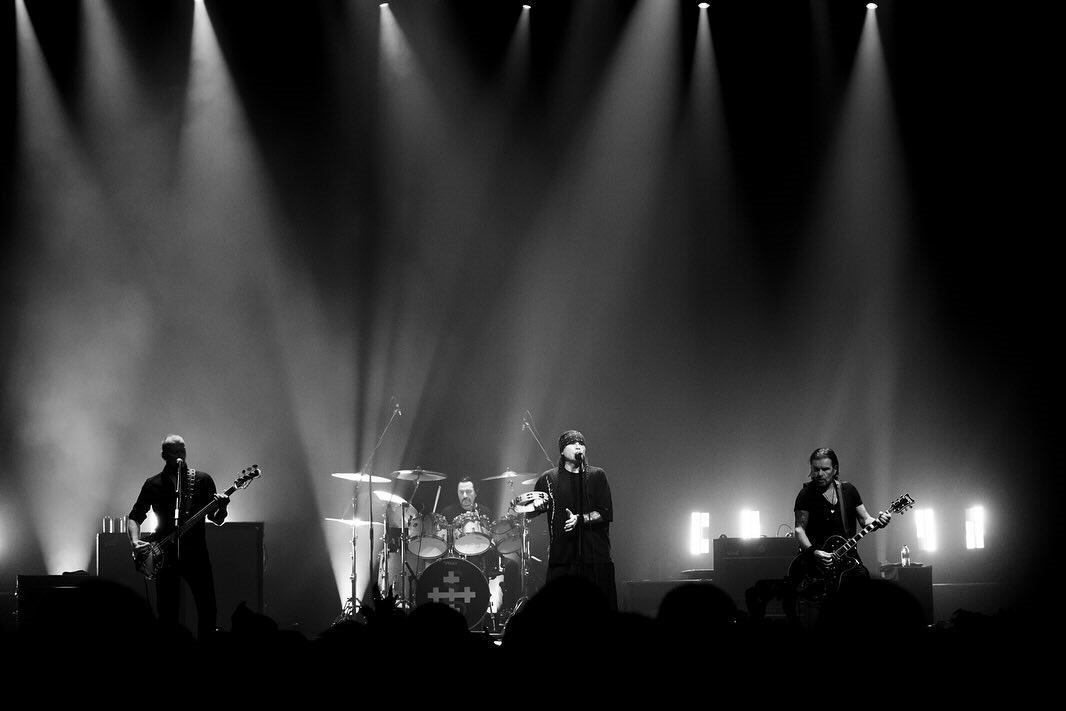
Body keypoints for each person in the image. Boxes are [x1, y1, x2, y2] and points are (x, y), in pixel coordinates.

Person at [127, 435, 229, 639]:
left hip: (196, 554)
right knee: (167, 611)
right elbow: (134, 517)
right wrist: (135, 541)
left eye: (182, 450)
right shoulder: (153, 483)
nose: (180, 455)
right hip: (164, 554)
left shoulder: (203, 480)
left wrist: (223, 507)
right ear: (164, 455)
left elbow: (216, 519)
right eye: (174, 451)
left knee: (207, 607)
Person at [528, 430, 616, 611]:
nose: (578, 446)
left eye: (581, 443)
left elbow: (605, 513)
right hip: (562, 558)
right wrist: (531, 507)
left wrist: (580, 519)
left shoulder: (597, 475)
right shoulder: (548, 478)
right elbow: (531, 512)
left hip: (595, 558)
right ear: (562, 450)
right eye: (572, 443)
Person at [793, 447, 890, 581]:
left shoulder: (848, 490)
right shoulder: (806, 494)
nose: (820, 474)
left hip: (847, 558)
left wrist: (879, 522)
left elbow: (865, 520)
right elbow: (799, 529)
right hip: (816, 565)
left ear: (835, 469)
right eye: (816, 469)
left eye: (825, 469)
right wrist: (813, 552)